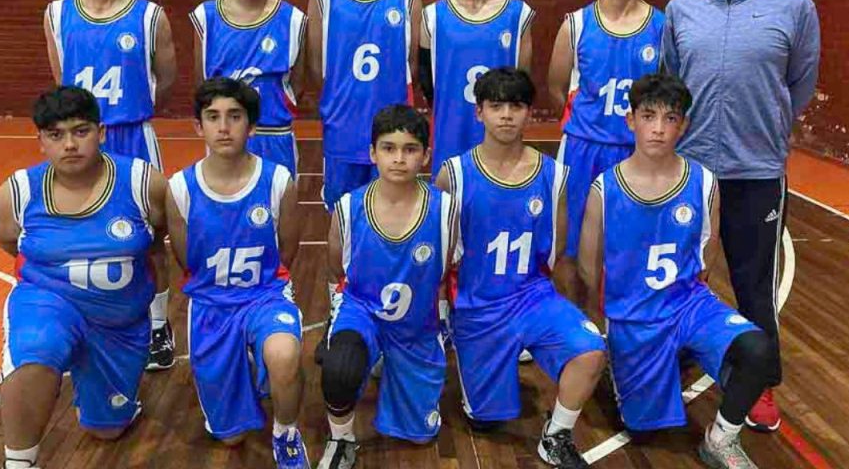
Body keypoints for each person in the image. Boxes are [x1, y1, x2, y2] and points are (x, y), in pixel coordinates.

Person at [661, 0, 821, 431]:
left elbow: (800, 82)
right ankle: (674, 355)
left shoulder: (794, 4)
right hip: (690, 171)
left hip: (757, 171)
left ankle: (760, 383)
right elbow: (672, 81)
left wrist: (766, 125)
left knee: (754, 284)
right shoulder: (683, 6)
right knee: (682, 274)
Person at [578, 73, 776, 469]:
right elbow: (588, 266)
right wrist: (607, 323)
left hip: (687, 304)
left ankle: (720, 439)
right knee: (643, 430)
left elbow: (708, 251)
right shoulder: (605, 188)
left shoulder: (703, 181)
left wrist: (693, 306)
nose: (658, 128)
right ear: (631, 120)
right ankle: (633, 360)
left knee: (758, 349)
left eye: (670, 119)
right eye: (648, 116)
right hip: (634, 316)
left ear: (683, 125)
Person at [0, 87, 168, 469]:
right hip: (50, 300)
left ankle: (105, 394)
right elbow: (9, 242)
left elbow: (159, 243)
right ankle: (19, 462)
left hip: (118, 324)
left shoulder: (142, 183)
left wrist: (158, 314)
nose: (69, 144)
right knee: (38, 347)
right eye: (55, 135)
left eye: (80, 131)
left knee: (107, 429)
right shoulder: (17, 193)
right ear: (40, 141)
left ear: (101, 132)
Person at [435, 68, 606, 469]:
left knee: (590, 350)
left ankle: (556, 435)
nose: (507, 115)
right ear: (479, 112)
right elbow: (439, 255)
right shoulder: (453, 174)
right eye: (496, 106)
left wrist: (569, 309)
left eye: (516, 106)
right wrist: (440, 311)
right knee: (485, 420)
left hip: (532, 298)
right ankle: (487, 359)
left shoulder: (554, 176)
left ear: (530, 112)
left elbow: (557, 253)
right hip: (477, 307)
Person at [44, 0, 179, 371]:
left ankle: (157, 325)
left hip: (132, 134)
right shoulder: (57, 13)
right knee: (80, 233)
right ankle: (90, 322)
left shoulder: (150, 15)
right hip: (79, 139)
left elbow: (166, 80)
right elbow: (61, 81)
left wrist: (132, 109)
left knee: (150, 237)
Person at [165, 78, 308, 467]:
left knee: (284, 353)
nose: (224, 127)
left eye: (235, 116)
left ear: (252, 125)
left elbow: (287, 251)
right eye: (213, 117)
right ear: (198, 127)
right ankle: (249, 365)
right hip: (211, 303)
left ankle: (286, 433)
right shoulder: (180, 188)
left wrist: (265, 289)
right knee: (231, 438)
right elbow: (186, 259)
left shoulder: (277, 181)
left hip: (265, 295)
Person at [317, 105, 456, 469]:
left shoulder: (445, 209)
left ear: (426, 155)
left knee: (420, 436)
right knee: (340, 367)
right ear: (372, 153)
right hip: (363, 312)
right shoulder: (348, 207)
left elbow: (446, 272)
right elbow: (336, 269)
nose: (398, 158)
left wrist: (443, 315)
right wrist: (340, 316)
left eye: (410, 149)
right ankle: (342, 439)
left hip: (416, 325)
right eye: (388, 148)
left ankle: (389, 360)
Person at [546, 0, 663, 295]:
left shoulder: (661, 27)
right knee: (570, 245)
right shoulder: (576, 24)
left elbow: (668, 93)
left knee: (634, 244)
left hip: (636, 151)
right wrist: (587, 123)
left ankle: (624, 318)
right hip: (583, 149)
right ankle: (579, 320)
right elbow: (556, 88)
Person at [307, 0, 422, 210]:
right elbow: (316, 68)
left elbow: (412, 65)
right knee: (342, 217)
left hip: (393, 134)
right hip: (342, 130)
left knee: (393, 214)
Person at [190, 0, 307, 177]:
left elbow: (297, 83)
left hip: (274, 135)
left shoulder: (293, 19)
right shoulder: (206, 17)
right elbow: (202, 82)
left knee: (277, 200)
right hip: (225, 135)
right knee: (223, 199)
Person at [420, 0, 534, 176]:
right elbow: (427, 82)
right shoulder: (432, 16)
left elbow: (522, 83)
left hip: (501, 138)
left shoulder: (518, 14)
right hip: (451, 133)